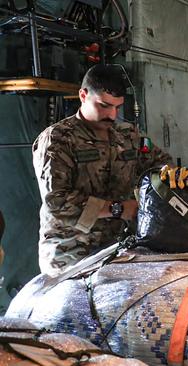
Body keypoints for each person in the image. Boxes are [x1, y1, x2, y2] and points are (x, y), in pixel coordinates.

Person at [32, 64, 171, 276]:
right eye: (104, 106)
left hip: (119, 249)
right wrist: (119, 209)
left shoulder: (127, 136)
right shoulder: (57, 140)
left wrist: (176, 181)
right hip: (72, 256)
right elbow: (58, 203)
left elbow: (161, 166)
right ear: (83, 95)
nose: (112, 115)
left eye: (117, 107)